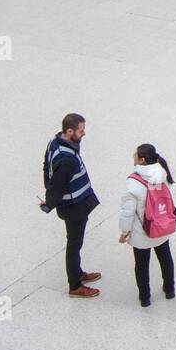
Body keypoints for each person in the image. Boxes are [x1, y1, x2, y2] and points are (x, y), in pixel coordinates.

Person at [40, 113, 102, 299]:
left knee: (76, 242)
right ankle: (75, 285)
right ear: (69, 131)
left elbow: (46, 167)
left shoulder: (55, 143)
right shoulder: (67, 159)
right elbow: (58, 186)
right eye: (81, 130)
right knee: (74, 244)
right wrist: (50, 202)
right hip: (74, 207)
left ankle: (77, 272)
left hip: (76, 204)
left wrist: (48, 189)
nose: (84, 133)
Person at [118, 144, 176, 308]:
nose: (133, 157)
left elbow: (127, 212)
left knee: (141, 264)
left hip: (142, 232)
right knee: (165, 258)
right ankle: (170, 289)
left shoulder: (134, 182)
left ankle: (145, 298)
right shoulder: (161, 174)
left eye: (135, 155)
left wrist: (125, 232)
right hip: (162, 226)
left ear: (142, 160)